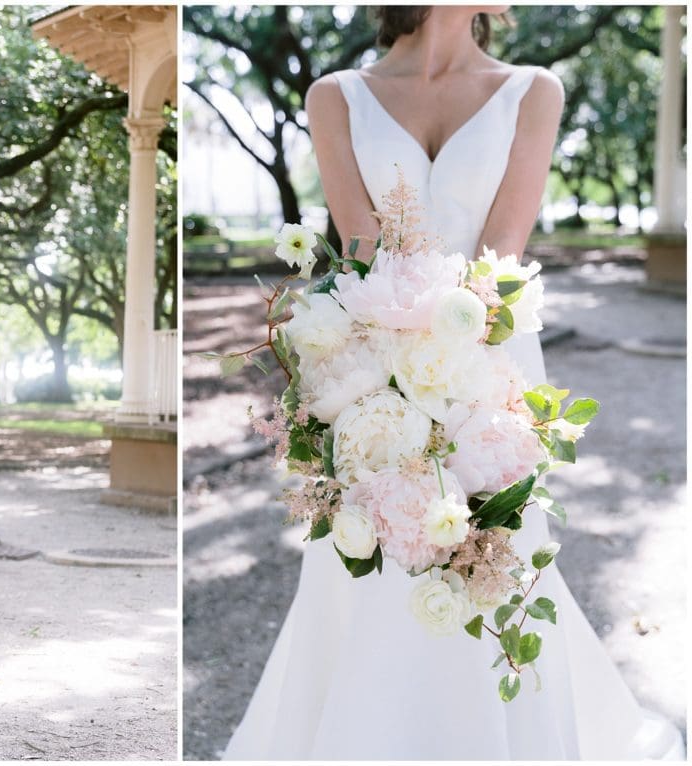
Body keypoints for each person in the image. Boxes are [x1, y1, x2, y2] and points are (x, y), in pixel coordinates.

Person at [222, 6, 685, 760]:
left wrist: (450, 375)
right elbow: (362, 253)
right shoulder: (334, 96)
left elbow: (500, 263)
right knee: (368, 555)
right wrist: (378, 386)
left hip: (490, 360)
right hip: (369, 360)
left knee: (489, 562)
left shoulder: (533, 91)